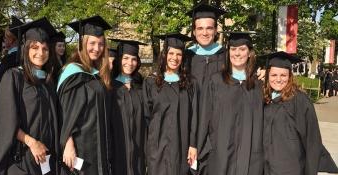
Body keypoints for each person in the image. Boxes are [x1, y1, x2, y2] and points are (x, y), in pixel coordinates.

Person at [0, 17, 59, 175]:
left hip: (47, 153)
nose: (40, 53)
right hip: (24, 155)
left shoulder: (48, 80)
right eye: (35, 47)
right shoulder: (14, 77)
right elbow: (6, 122)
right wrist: (32, 142)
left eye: (45, 48)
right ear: (26, 49)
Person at [198, 32, 264, 175]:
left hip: (250, 155)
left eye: (242, 49)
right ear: (228, 53)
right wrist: (199, 148)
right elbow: (204, 117)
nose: (237, 53)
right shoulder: (215, 81)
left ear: (250, 53)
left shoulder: (259, 85)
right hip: (220, 152)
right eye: (233, 49)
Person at [262, 51, 338, 175]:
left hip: (290, 168)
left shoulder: (300, 100)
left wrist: (310, 170)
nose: (278, 79)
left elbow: (312, 139)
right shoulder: (264, 99)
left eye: (283, 75)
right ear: (267, 76)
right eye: (274, 75)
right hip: (266, 167)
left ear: (290, 76)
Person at [57, 15, 112, 175]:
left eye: (101, 44)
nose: (97, 48)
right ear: (83, 43)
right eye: (92, 43)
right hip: (80, 145)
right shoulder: (74, 73)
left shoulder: (96, 73)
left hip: (98, 143)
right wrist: (68, 145)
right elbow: (64, 113)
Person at [143, 33, 197, 175]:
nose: (174, 58)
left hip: (181, 144)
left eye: (179, 54)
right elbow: (146, 116)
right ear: (164, 54)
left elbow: (194, 116)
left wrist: (192, 144)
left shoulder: (189, 84)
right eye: (171, 53)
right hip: (157, 145)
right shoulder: (151, 82)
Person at [110, 39, 146, 175]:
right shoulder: (110, 87)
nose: (129, 63)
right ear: (119, 60)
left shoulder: (141, 86)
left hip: (139, 150)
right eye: (125, 58)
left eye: (134, 59)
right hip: (117, 148)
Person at [0, 16, 24, 127]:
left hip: (7, 109)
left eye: (6, 38)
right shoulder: (21, 56)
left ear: (12, 40)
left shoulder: (12, 59)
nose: (4, 41)